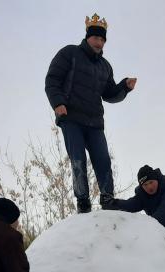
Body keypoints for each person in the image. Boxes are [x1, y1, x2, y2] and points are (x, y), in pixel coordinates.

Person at [45, 13, 137, 213]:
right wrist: (58, 103)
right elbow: (52, 80)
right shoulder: (69, 53)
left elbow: (110, 94)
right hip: (71, 117)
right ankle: (83, 201)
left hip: (95, 122)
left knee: (103, 160)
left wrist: (125, 87)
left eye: (103, 39)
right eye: (96, 38)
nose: (99, 42)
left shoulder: (105, 67)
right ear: (88, 37)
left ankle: (107, 198)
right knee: (78, 159)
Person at [108, 165, 165, 253]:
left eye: (151, 182)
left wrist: (148, 226)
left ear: (156, 179)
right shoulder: (142, 195)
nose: (149, 187)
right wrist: (114, 203)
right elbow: (131, 205)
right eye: (145, 185)